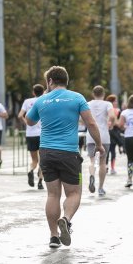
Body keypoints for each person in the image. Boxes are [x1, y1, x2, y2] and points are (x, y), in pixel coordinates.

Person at [26, 66, 103, 248]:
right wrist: (99, 145)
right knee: (74, 193)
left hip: (46, 152)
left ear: (50, 81)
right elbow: (90, 122)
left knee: (53, 194)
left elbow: (30, 121)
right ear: (66, 80)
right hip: (69, 153)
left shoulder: (41, 100)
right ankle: (66, 220)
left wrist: (44, 97)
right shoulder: (77, 98)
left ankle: (53, 236)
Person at [86, 85, 115, 196]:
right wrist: (110, 124)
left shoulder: (88, 104)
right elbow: (112, 116)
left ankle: (92, 175)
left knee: (92, 161)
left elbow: (81, 118)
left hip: (91, 135)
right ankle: (100, 188)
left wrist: (87, 124)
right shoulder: (108, 104)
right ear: (103, 94)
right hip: (104, 135)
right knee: (103, 162)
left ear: (93, 94)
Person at [18, 84, 45, 190]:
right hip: (42, 133)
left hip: (30, 134)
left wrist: (27, 123)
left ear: (33, 92)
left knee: (34, 160)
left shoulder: (27, 101)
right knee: (42, 159)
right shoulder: (44, 100)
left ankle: (30, 170)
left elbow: (20, 115)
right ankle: (40, 182)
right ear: (43, 92)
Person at [107, 94, 122, 175]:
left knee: (107, 150)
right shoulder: (116, 111)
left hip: (107, 131)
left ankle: (106, 166)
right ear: (112, 102)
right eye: (115, 101)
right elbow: (117, 123)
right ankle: (112, 168)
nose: (116, 102)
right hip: (114, 132)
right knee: (112, 150)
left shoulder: (105, 109)